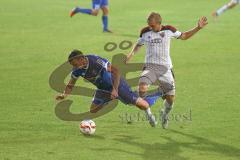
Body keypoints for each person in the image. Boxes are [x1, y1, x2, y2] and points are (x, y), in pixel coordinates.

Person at [125, 12, 208, 129]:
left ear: (159, 24)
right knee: (142, 88)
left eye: (152, 26)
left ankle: (164, 114)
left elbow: (184, 36)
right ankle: (149, 114)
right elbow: (139, 44)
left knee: (170, 99)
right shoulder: (145, 32)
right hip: (150, 67)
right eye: (149, 25)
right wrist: (130, 55)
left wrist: (198, 28)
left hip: (165, 69)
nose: (150, 27)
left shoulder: (169, 30)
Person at [56, 50, 162, 127]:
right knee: (93, 109)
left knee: (142, 105)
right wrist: (64, 94)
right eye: (72, 65)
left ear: (81, 59)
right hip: (103, 88)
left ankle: (158, 94)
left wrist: (115, 90)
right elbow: (71, 84)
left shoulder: (95, 61)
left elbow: (116, 71)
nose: (74, 66)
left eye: (75, 64)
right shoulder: (76, 70)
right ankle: (109, 99)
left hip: (117, 84)